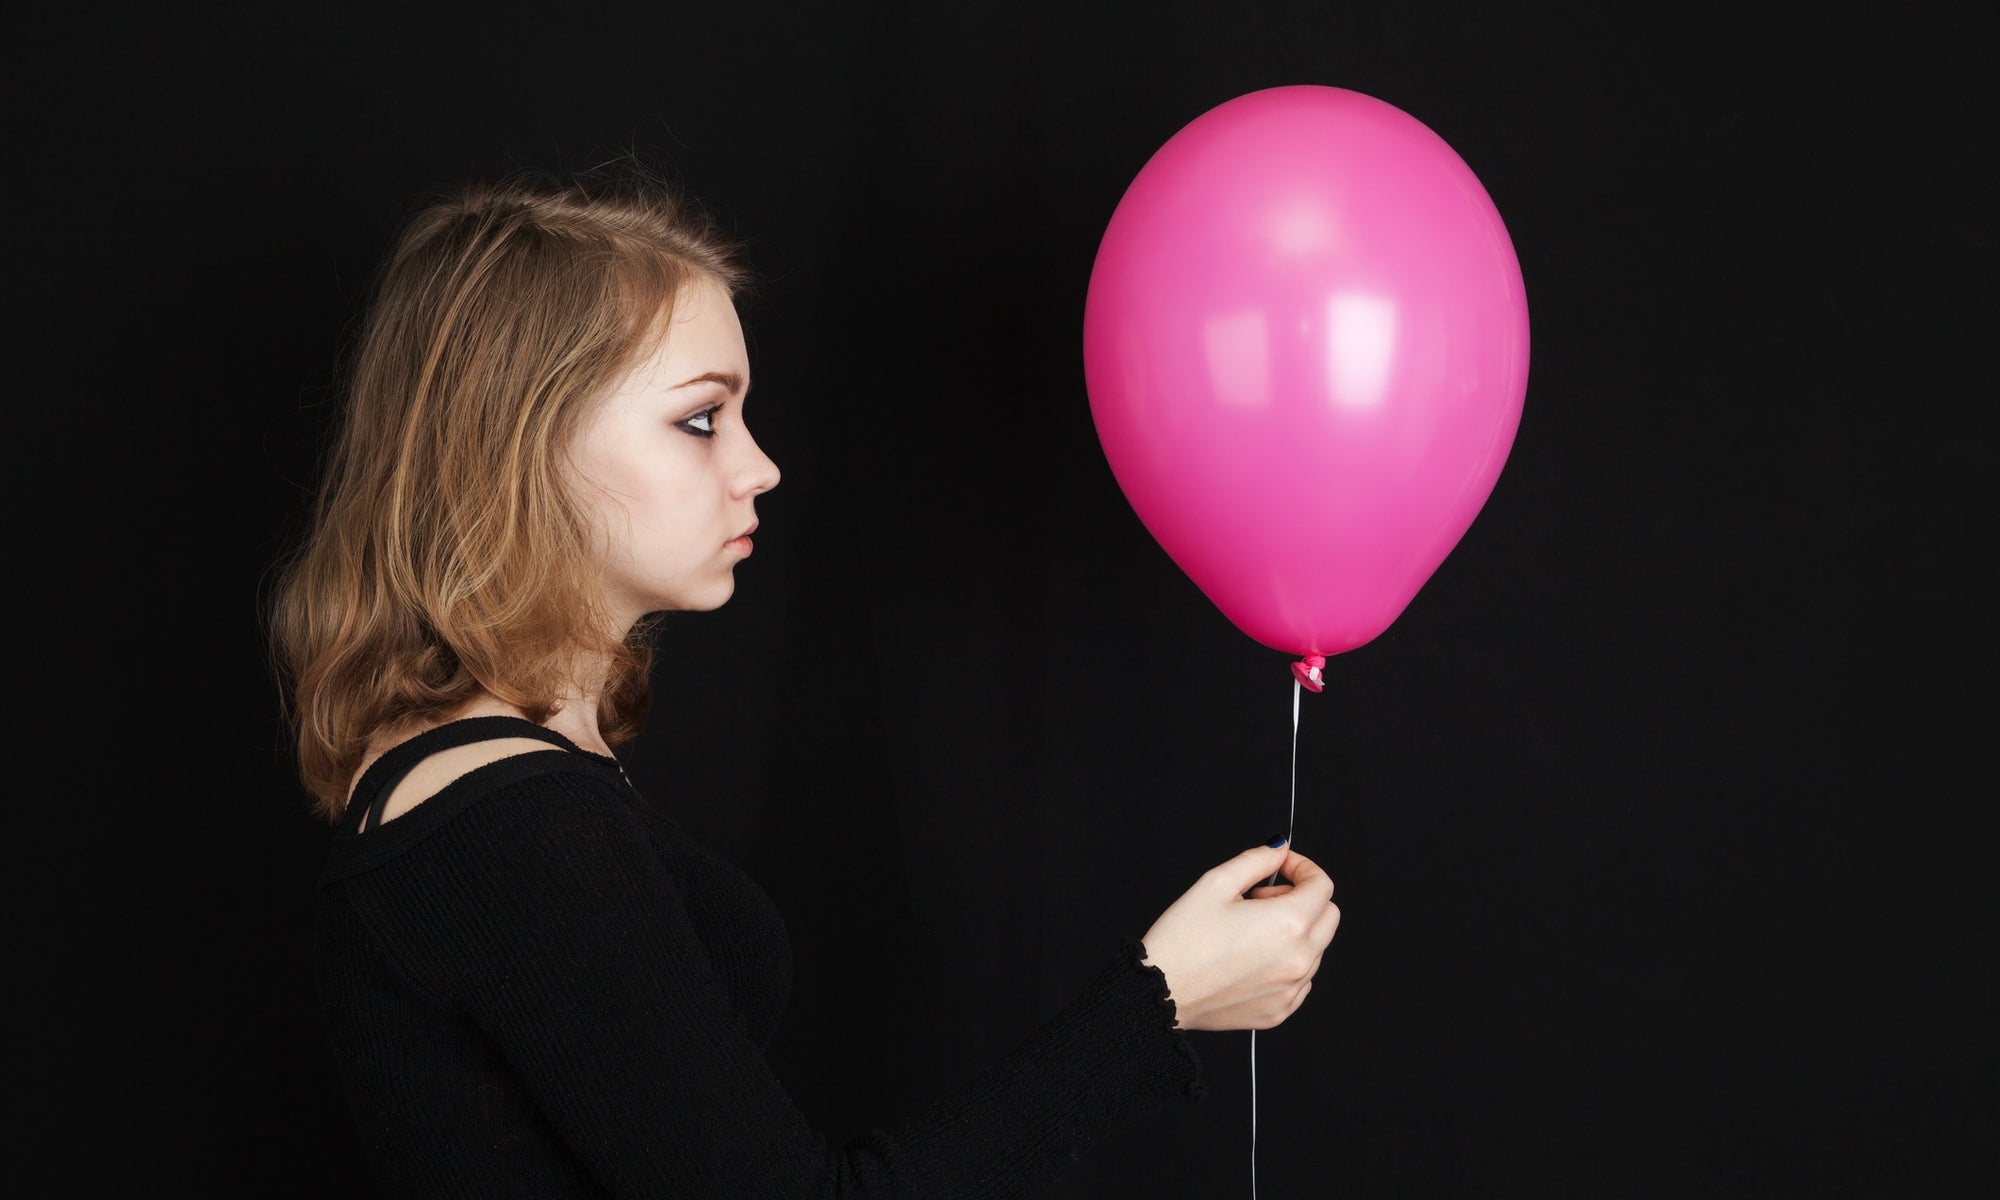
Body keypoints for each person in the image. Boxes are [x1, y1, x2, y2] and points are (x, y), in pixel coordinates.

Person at [266, 164, 1341, 1198]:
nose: (759, 466)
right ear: (522, 446)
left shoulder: (512, 777)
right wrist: (1152, 1005)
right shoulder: (509, 822)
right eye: (700, 419)